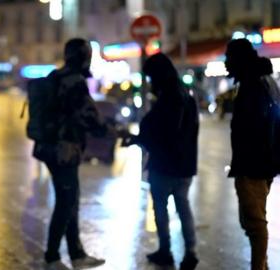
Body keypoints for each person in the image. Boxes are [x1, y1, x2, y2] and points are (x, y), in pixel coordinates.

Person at [36, 38, 110, 270]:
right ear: (84, 56)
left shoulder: (54, 77)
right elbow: (90, 117)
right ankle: (52, 257)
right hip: (64, 151)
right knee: (66, 202)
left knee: (71, 201)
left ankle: (77, 255)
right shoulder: (74, 81)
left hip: (49, 148)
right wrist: (110, 130)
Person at [120, 53, 199, 269]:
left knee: (162, 208)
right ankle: (190, 250)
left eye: (151, 77)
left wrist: (137, 139)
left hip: (164, 165)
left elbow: (157, 131)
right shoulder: (187, 97)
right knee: (183, 207)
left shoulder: (167, 100)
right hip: (184, 165)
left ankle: (166, 250)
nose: (149, 82)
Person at [224, 38, 277, 270]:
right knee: (252, 220)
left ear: (239, 60)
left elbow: (253, 128)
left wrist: (246, 164)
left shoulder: (253, 86)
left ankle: (259, 267)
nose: (226, 64)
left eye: (229, 58)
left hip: (253, 165)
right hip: (261, 164)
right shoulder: (260, 81)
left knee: (254, 223)